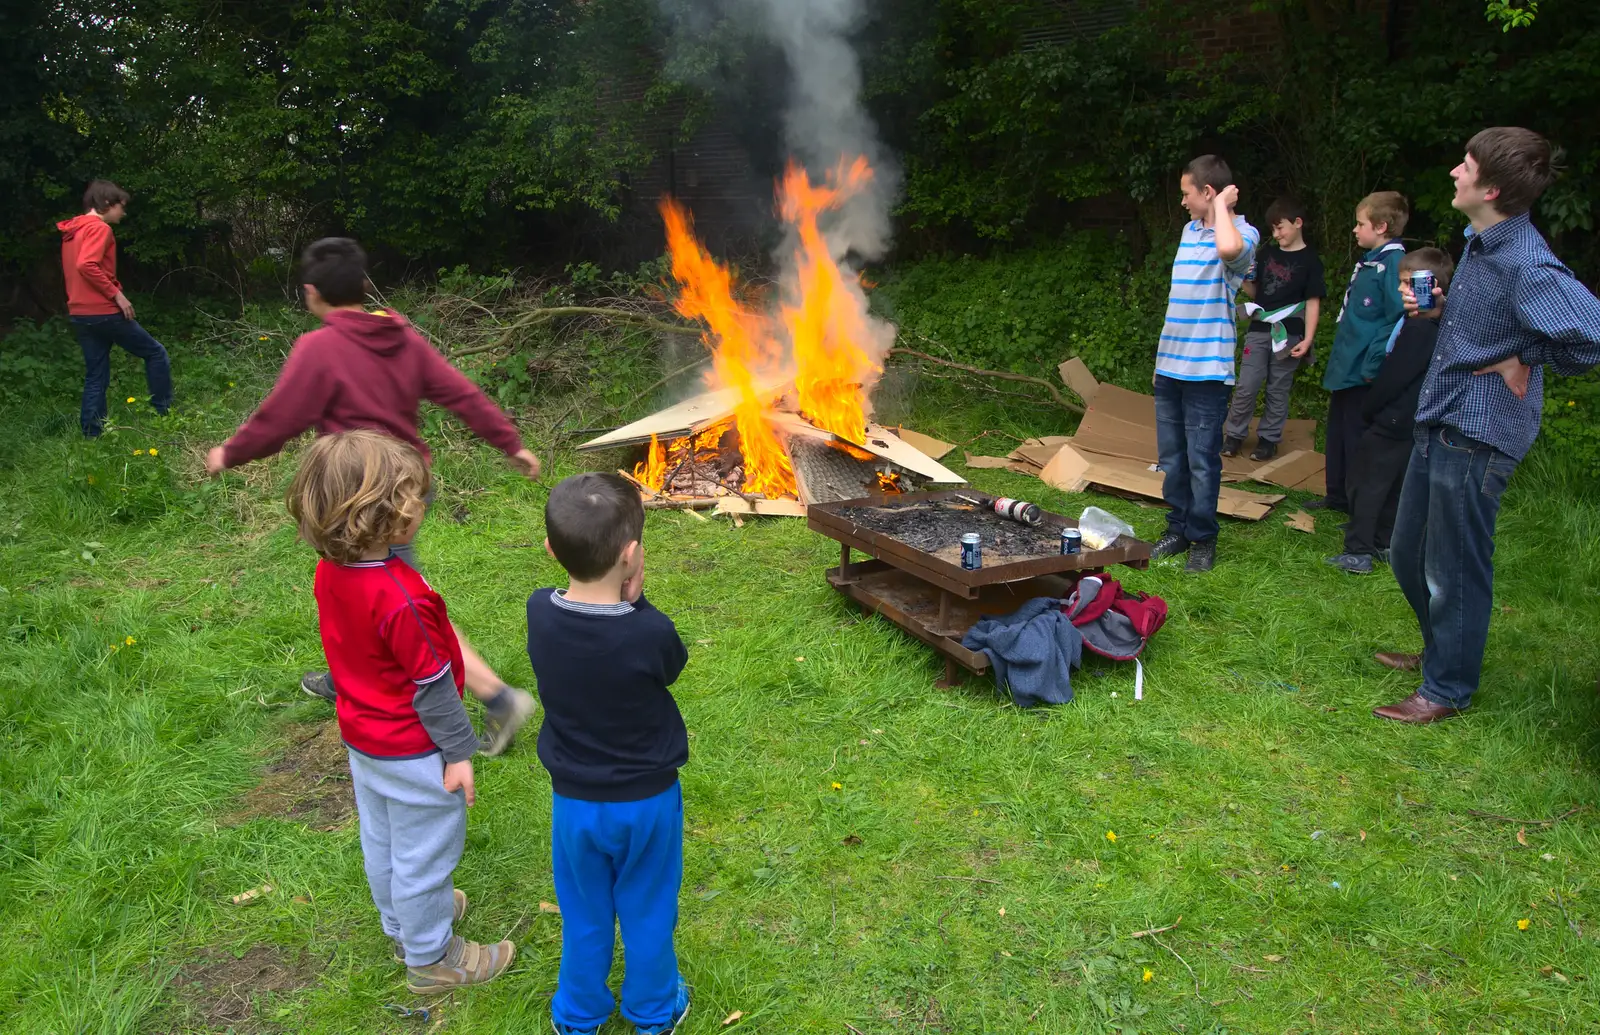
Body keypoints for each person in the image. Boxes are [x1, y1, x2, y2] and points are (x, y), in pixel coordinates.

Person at [205, 237, 541, 755]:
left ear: (312, 293)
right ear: (364, 288)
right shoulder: (399, 336)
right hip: (408, 488)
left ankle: (497, 698)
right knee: (361, 588)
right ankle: (353, 673)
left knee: (398, 598)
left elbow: (280, 417)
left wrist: (230, 452)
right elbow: (460, 392)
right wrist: (508, 441)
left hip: (362, 499)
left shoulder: (320, 348)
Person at [1373, 127, 1600, 723]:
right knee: (1405, 552)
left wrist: (1526, 356)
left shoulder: (1526, 260)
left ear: (1491, 187)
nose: (1454, 171)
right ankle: (1440, 651)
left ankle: (1445, 689)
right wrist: (1448, 313)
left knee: (1453, 567)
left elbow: (1590, 336)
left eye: (1466, 165)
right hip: (1441, 416)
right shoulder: (1483, 242)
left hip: (1479, 430)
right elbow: (1500, 320)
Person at [286, 430, 516, 992]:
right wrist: (459, 753)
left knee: (385, 838)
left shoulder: (331, 571)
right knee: (425, 857)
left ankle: (403, 921)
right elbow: (435, 685)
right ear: (387, 515)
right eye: (414, 496)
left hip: (365, 739)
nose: (422, 504)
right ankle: (433, 958)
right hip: (415, 750)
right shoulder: (401, 597)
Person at [527, 473, 691, 1035]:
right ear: (632, 554)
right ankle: (652, 1012)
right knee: (647, 910)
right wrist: (639, 601)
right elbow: (671, 664)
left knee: (585, 914)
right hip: (646, 801)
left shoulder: (539, 614)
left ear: (551, 550)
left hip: (575, 803)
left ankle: (577, 1015)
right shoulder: (649, 633)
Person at [1150, 155, 1260, 573]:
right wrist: (1161, 363)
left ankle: (1202, 538)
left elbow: (1231, 250)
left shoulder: (1242, 233)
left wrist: (1222, 210)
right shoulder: (1188, 231)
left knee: (1201, 459)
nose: (1182, 202)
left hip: (1207, 373)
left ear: (1208, 193)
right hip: (1171, 366)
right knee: (1174, 458)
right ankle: (1177, 528)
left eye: (1187, 193)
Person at [1325, 247, 1453, 574]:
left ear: (1432, 286)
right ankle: (1384, 543)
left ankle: (1357, 551)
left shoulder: (1419, 328)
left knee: (1366, 482)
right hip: (1411, 420)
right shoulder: (1437, 325)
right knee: (1394, 483)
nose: (1400, 290)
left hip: (1393, 417)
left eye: (1408, 284)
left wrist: (1371, 407)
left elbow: (1394, 376)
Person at [1310, 191, 1409, 512]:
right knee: (1337, 434)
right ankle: (1336, 495)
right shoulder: (1371, 262)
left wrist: (1374, 363)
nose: (1355, 230)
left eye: (1360, 224)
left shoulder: (1394, 264)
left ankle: (1359, 505)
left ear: (1380, 227)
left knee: (1356, 439)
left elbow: (1397, 319)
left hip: (1364, 371)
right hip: (1346, 367)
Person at [58, 180, 173, 437]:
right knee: (156, 353)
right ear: (107, 204)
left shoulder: (73, 231)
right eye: (121, 206)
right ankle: (164, 415)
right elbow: (87, 265)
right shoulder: (99, 229)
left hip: (80, 313)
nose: (124, 212)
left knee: (96, 374)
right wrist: (117, 295)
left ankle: (92, 434)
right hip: (103, 311)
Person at [1222, 196, 1325, 462]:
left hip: (1289, 332)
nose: (1276, 234)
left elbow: (1313, 302)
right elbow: (1255, 290)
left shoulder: (1311, 261)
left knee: (1278, 388)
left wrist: (1308, 338)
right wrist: (1243, 277)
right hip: (1259, 328)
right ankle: (1234, 435)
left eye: (1280, 227)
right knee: (1247, 384)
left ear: (1297, 223)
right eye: (1273, 229)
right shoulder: (1266, 254)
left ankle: (1268, 440)